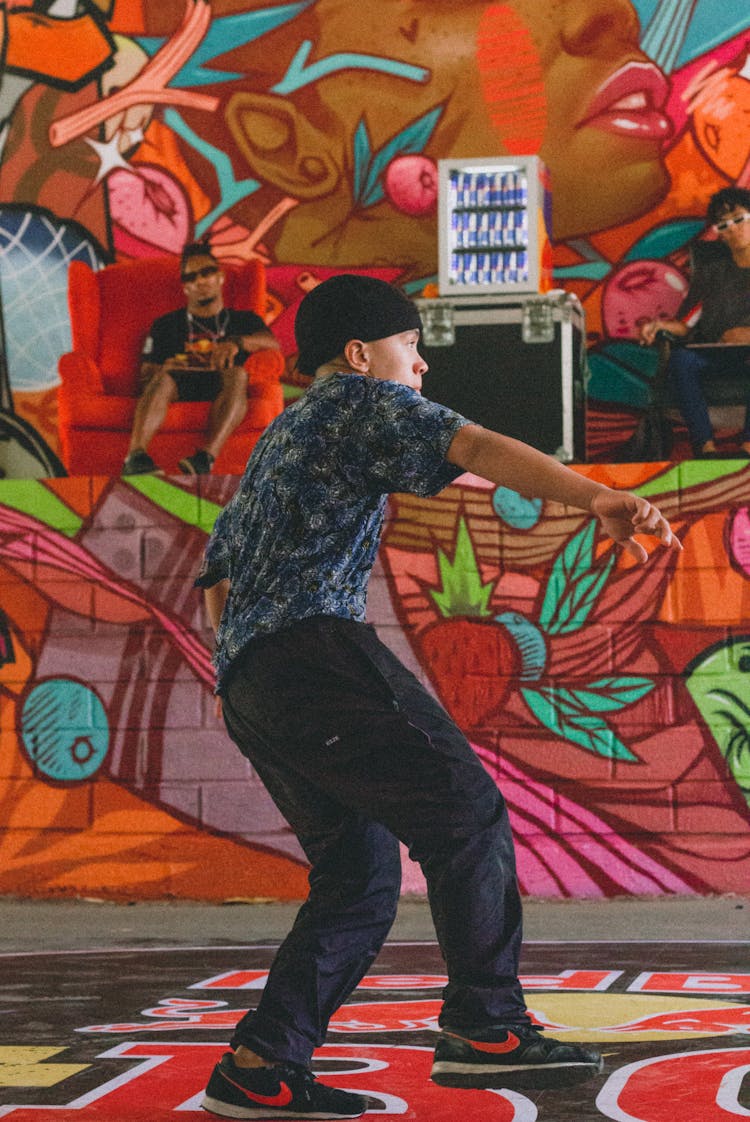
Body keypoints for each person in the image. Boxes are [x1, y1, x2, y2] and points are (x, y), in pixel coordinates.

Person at [196, 274, 681, 1120]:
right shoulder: (357, 399)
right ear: (358, 354)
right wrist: (600, 495)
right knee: (465, 810)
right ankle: (485, 1025)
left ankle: (261, 1064)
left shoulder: (280, 439)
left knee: (357, 880)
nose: (419, 368)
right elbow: (478, 445)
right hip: (315, 652)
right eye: (411, 350)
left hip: (253, 680)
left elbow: (219, 574)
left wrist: (244, 668)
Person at [122, 242, 281, 476]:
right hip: (179, 385)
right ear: (185, 287)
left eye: (207, 272)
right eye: (191, 277)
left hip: (224, 386)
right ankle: (135, 458)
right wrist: (165, 367)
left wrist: (236, 343)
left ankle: (204, 459)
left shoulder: (243, 320)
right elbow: (145, 373)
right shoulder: (165, 325)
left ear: (220, 277)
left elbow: (273, 345)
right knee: (163, 379)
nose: (200, 281)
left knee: (238, 374)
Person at [639, 186, 750, 459]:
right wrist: (659, 326)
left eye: (739, 219)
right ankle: (705, 447)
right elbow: (688, 324)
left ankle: (748, 446)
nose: (733, 229)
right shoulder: (713, 275)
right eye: (724, 225)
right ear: (719, 235)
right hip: (717, 353)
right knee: (680, 360)